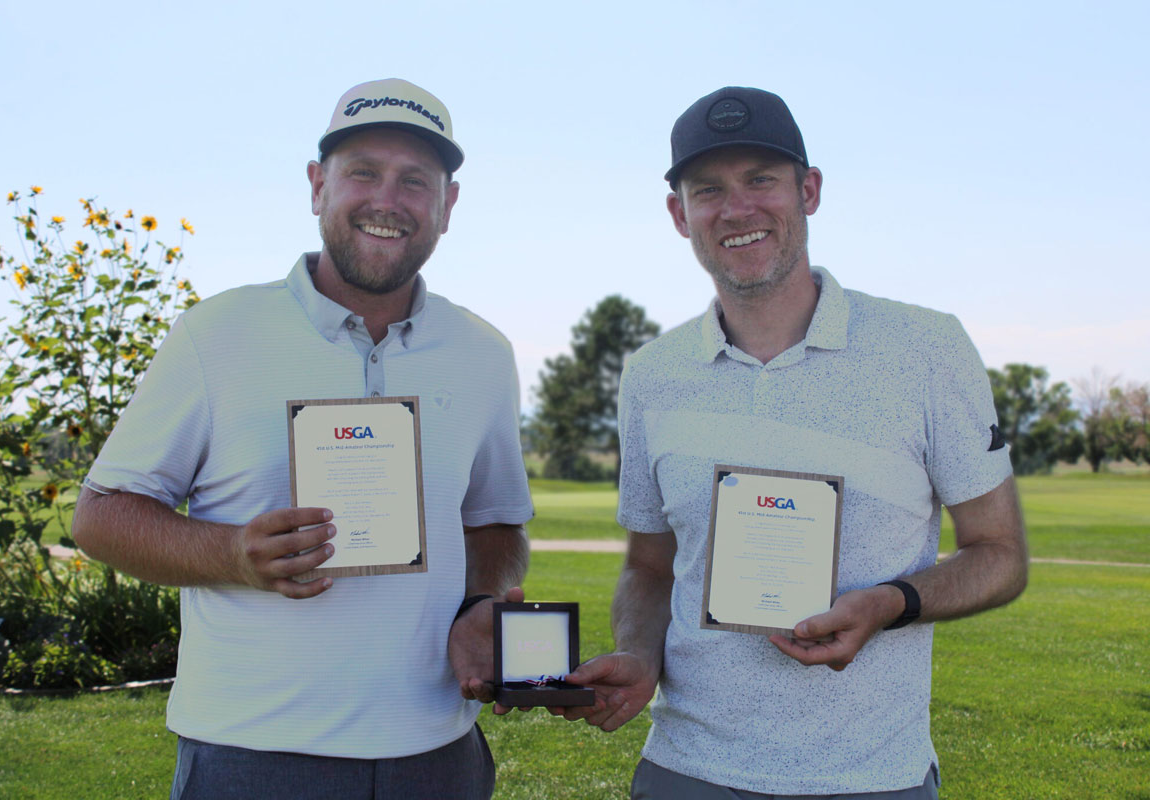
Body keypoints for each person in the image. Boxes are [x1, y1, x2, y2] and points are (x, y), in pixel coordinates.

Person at [555, 87, 1028, 799]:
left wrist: (888, 603)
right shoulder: (651, 375)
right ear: (679, 215)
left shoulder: (927, 349)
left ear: (808, 191)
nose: (737, 209)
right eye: (708, 189)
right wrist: (637, 655)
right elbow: (651, 568)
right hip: (687, 771)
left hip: (873, 779)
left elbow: (1000, 555)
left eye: (761, 180)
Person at [72, 78, 533, 800]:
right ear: (318, 186)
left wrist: (480, 602)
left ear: (448, 206)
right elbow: (99, 516)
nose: (388, 199)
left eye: (416, 180)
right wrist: (230, 553)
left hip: (438, 756)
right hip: (253, 755)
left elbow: (496, 523)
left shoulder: (483, 353)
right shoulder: (217, 334)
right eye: (362, 173)